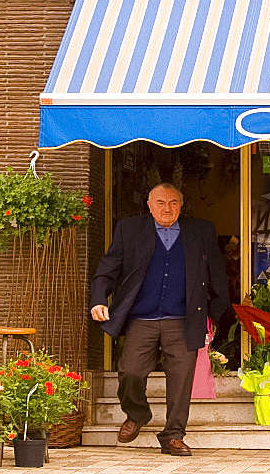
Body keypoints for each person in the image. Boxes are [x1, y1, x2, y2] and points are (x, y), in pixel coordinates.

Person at [90, 183, 230, 457]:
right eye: (161, 203)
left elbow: (217, 273)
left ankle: (173, 436)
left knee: (180, 381)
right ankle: (137, 413)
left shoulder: (200, 230)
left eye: (174, 202)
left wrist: (214, 313)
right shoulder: (129, 230)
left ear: (181, 204)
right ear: (149, 204)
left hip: (184, 319)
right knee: (130, 371)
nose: (167, 208)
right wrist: (98, 299)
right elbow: (108, 268)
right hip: (142, 318)